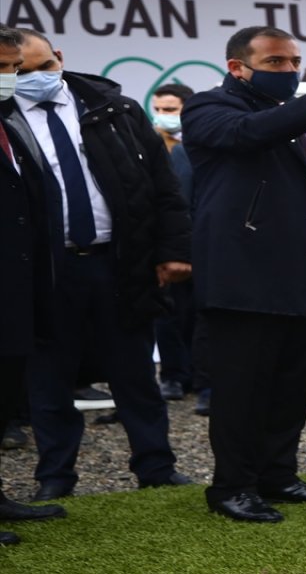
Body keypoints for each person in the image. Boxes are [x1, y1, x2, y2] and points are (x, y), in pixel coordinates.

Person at [182, 26, 306, 523]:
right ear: (237, 67)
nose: (289, 71)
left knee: (292, 383)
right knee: (242, 389)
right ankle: (232, 487)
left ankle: (277, 474)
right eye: (275, 63)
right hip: (245, 277)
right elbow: (247, 135)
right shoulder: (208, 108)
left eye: (293, 62)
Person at [1, 28, 192, 500]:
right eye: (19, 72)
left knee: (134, 372)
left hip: (119, 262)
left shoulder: (113, 110)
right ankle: (55, 478)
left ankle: (156, 467)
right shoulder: (4, 119)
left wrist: (173, 249)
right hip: (45, 270)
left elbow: (162, 185)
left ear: (60, 57)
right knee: (49, 378)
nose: (34, 79)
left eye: (45, 67)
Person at [0, 23, 67, 544]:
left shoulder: (8, 123)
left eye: (11, 68)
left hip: (14, 288)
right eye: (0, 67)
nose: (8, 78)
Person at [150, 83, 197, 402]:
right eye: (158, 110)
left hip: (200, 242)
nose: (163, 116)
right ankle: (172, 376)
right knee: (166, 314)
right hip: (163, 243)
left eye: (171, 110)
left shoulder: (202, 145)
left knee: (198, 314)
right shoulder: (149, 145)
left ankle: (200, 375)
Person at [151, 83, 193, 152]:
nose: (160, 114)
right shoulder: (150, 140)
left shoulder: (205, 136)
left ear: (189, 108)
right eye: (157, 109)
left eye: (169, 110)